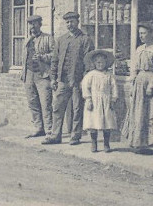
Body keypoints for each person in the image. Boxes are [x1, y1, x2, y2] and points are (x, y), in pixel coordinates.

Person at [45, 11, 92, 146]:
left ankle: (75, 136)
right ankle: (55, 135)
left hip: (78, 80)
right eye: (67, 22)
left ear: (77, 22)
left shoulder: (85, 39)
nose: (69, 24)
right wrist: (53, 78)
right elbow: (55, 60)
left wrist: (85, 78)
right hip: (62, 80)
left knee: (77, 108)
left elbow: (89, 61)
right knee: (57, 107)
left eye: (72, 21)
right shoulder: (61, 40)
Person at [123, 22, 153, 154]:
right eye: (140, 34)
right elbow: (134, 68)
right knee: (139, 111)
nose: (141, 36)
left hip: (151, 82)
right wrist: (132, 83)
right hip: (139, 82)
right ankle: (139, 143)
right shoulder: (139, 49)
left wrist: (152, 85)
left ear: (151, 34)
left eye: (144, 33)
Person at [19, 14, 55, 138]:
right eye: (30, 24)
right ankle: (38, 128)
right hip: (28, 74)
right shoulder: (27, 40)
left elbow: (55, 55)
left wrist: (42, 57)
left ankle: (49, 130)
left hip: (43, 75)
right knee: (32, 102)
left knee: (46, 103)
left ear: (40, 24)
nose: (32, 27)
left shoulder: (48, 38)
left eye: (34, 24)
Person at [81, 49, 119, 154]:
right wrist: (88, 99)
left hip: (106, 101)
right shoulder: (90, 75)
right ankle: (94, 142)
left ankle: (106, 143)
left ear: (106, 63)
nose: (100, 64)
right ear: (94, 63)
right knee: (94, 122)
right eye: (98, 62)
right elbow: (85, 87)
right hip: (94, 101)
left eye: (102, 62)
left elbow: (114, 87)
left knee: (107, 123)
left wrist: (113, 99)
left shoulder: (109, 75)